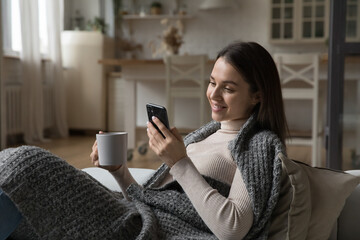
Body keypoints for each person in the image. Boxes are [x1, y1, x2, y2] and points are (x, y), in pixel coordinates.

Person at [0, 41, 288, 240]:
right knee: (24, 202)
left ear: (257, 95)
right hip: (137, 214)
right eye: (212, 82)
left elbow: (232, 228)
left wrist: (178, 161)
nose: (213, 95)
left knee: (30, 164)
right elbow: (151, 200)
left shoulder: (258, 144)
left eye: (228, 88)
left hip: (148, 230)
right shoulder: (206, 134)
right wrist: (119, 171)